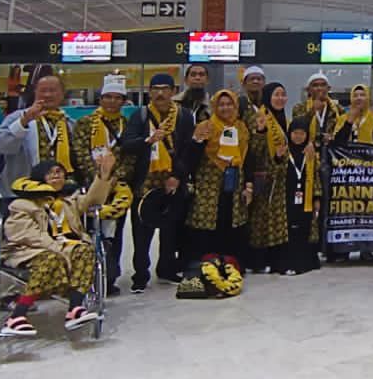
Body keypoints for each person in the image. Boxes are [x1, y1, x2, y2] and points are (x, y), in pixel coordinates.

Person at [0, 152, 118, 336]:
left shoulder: (69, 201)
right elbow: (26, 235)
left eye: (60, 172)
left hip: (67, 246)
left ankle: (75, 308)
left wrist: (104, 174)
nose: (57, 175)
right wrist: (59, 249)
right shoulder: (22, 205)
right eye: (51, 172)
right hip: (32, 250)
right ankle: (17, 316)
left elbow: (93, 201)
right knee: (51, 260)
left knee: (86, 250)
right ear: (40, 177)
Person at [119, 72, 195, 290]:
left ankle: (167, 269)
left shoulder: (184, 116)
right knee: (141, 232)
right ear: (149, 92)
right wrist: (148, 140)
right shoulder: (140, 116)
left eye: (165, 89)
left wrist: (177, 177)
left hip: (172, 180)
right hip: (145, 181)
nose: (160, 93)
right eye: (155, 89)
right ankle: (140, 275)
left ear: (173, 91)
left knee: (171, 229)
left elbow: (187, 150)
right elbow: (127, 144)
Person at [71, 74, 135, 296]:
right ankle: (87, 277)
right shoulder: (85, 124)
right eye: (108, 97)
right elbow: (79, 153)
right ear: (100, 98)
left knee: (114, 236)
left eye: (117, 98)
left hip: (118, 190)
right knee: (89, 233)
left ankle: (110, 277)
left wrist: (115, 178)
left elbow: (130, 156)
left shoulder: (127, 125)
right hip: (92, 187)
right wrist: (100, 178)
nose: (112, 102)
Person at [182, 89, 255, 267]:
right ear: (215, 107)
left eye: (229, 104)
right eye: (221, 104)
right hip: (209, 189)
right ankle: (207, 265)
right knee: (208, 226)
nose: (225, 108)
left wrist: (249, 185)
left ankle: (231, 265)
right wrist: (197, 141)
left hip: (234, 186)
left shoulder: (241, 128)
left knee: (232, 225)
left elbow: (248, 159)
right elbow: (190, 158)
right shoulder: (206, 126)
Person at [0, 69, 91, 199]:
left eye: (53, 90)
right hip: (21, 192)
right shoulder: (17, 117)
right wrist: (24, 121)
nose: (48, 95)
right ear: (35, 93)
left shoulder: (70, 124)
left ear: (62, 94)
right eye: (43, 90)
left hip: (62, 193)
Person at [244, 82, 292, 274]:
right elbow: (253, 149)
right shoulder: (260, 117)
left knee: (275, 222)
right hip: (262, 178)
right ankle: (257, 261)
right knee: (259, 222)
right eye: (276, 95)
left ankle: (274, 259)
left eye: (283, 94)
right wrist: (262, 132)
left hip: (279, 178)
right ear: (267, 97)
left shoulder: (283, 119)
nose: (280, 98)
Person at [276, 117, 322, 276]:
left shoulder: (310, 153)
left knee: (304, 229)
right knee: (288, 229)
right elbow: (275, 172)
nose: (298, 136)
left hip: (306, 198)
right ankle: (287, 262)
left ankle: (304, 262)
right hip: (286, 198)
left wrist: (317, 198)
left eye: (302, 133)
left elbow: (316, 176)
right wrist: (277, 158)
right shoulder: (284, 151)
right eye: (295, 133)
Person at [292, 72, 340, 153]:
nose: (319, 88)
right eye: (315, 85)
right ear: (308, 90)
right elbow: (298, 130)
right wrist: (312, 111)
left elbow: (343, 132)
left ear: (328, 88)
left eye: (323, 85)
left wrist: (332, 137)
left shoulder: (338, 109)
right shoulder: (299, 108)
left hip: (332, 154)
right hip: (307, 152)